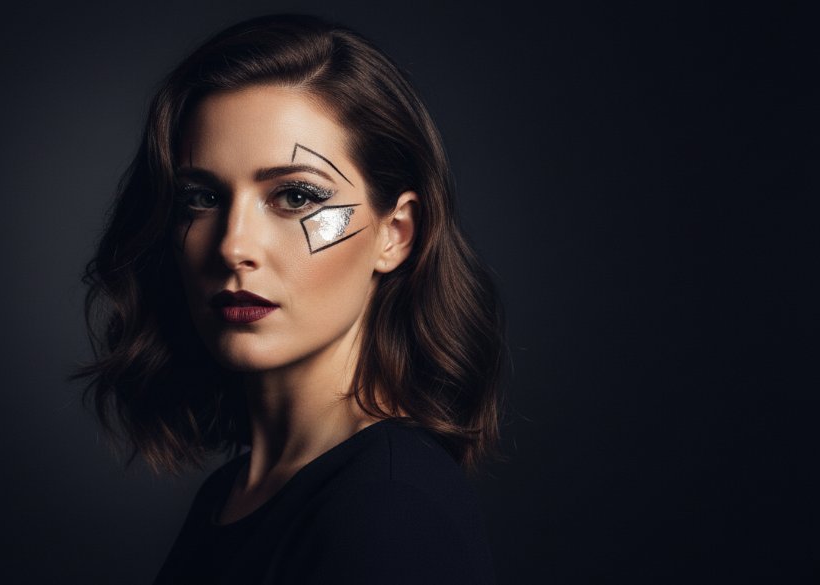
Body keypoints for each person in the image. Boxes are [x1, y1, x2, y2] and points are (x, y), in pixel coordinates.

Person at [74, 13, 508, 585]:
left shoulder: (389, 509)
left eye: (296, 196)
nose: (233, 246)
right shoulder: (234, 493)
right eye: (201, 197)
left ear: (395, 233)